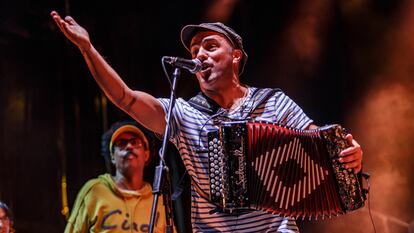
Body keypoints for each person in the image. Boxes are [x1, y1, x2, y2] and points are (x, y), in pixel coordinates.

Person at [51, 11, 363, 232]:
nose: (200, 54)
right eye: (195, 49)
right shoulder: (185, 114)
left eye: (210, 46)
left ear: (236, 56)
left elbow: (323, 145)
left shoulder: (272, 102)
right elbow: (125, 97)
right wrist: (87, 49)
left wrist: (349, 153)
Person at [65, 120, 168, 232]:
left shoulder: (159, 201)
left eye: (135, 142)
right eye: (122, 143)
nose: (129, 146)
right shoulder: (93, 191)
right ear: (112, 156)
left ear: (146, 155)